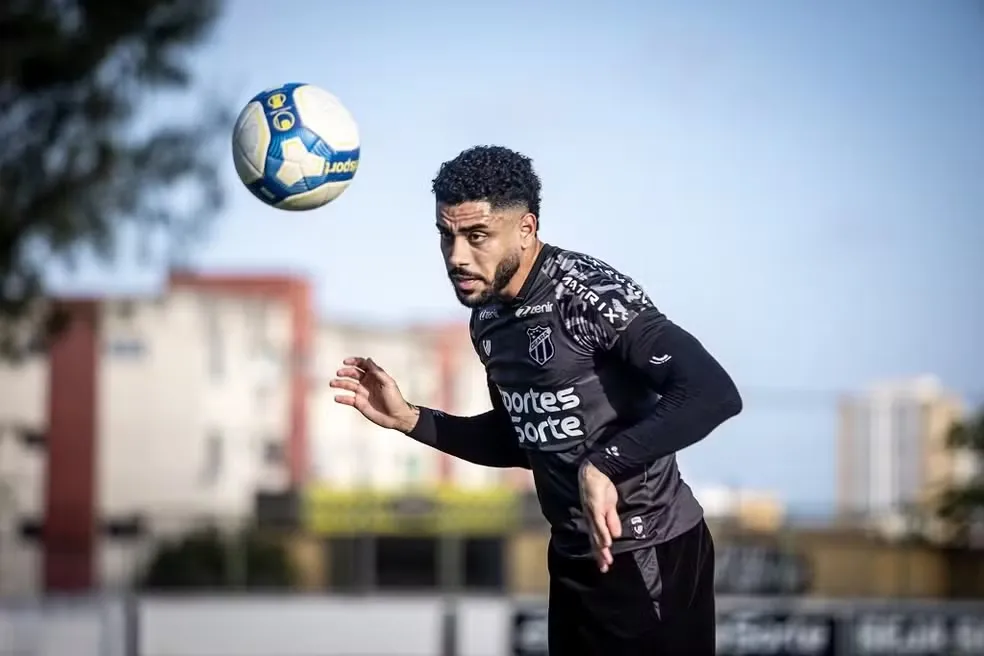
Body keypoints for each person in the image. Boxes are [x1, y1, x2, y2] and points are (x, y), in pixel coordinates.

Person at [330, 145, 743, 655]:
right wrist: (412, 419)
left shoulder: (590, 297)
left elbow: (712, 392)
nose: (457, 256)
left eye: (476, 236)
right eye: (447, 235)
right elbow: (519, 439)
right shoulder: (487, 319)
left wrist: (603, 465)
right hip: (572, 560)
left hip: (650, 553)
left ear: (526, 229)